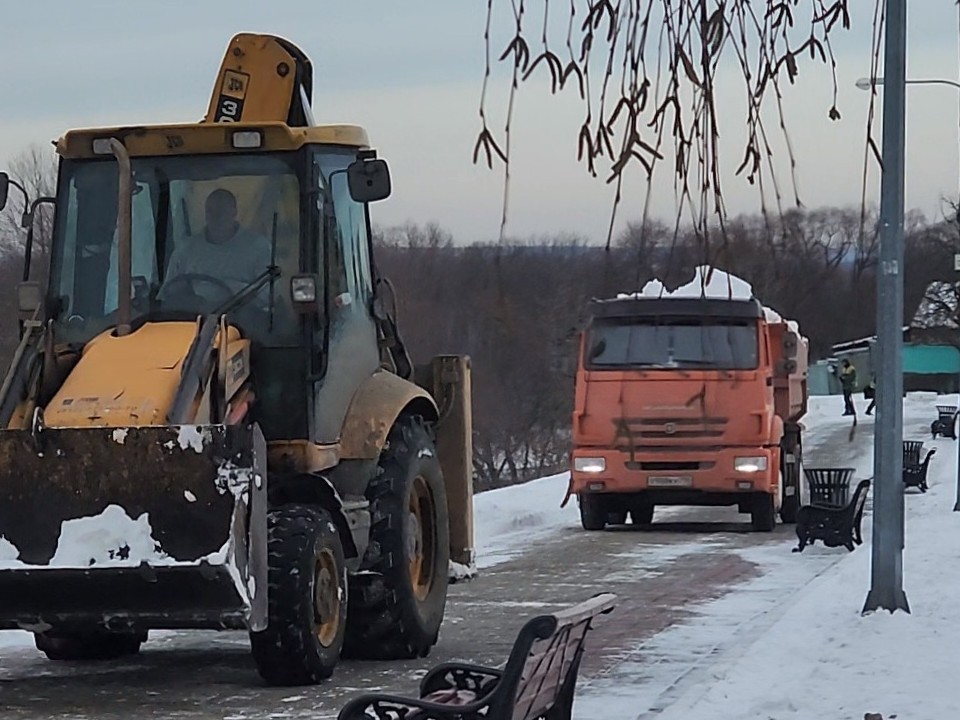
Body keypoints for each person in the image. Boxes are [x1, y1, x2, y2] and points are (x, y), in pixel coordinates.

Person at [161, 188, 272, 305]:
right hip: (193, 317)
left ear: (234, 212)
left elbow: (268, 295)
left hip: (242, 318)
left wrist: (234, 288)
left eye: (220, 212)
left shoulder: (258, 247)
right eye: (210, 211)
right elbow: (167, 294)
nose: (215, 217)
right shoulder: (185, 250)